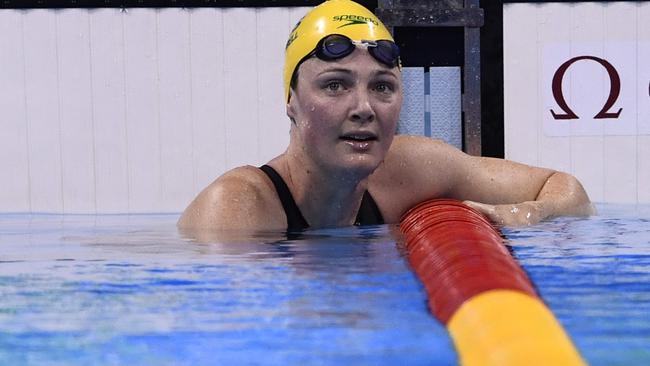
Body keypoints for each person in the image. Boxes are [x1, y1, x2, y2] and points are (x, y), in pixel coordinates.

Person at [178, 0, 594, 233]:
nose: (363, 108)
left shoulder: (411, 167)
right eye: (335, 85)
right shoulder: (235, 211)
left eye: (382, 87)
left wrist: (525, 213)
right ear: (290, 101)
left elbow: (567, 190)